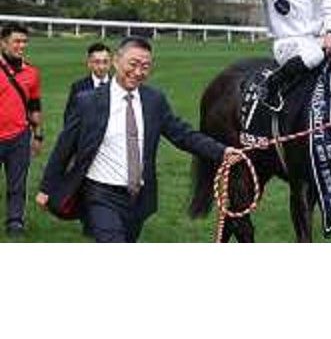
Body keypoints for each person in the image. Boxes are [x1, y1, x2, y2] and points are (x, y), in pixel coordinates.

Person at [36, 36, 242, 243]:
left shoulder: (154, 100)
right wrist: (46, 188)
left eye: (145, 66)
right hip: (99, 194)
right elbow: (64, 147)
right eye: (133, 64)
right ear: (116, 61)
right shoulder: (87, 101)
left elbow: (183, 134)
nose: (138, 72)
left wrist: (221, 151)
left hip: (139, 198)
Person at [0, 23, 44, 237]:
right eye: (16, 41)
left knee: (17, 184)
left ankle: (15, 221)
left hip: (19, 137)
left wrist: (38, 134)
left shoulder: (32, 72)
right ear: (3, 42)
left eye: (24, 41)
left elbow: (34, 105)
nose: (21, 46)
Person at [63, 42, 112, 124]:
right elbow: (70, 118)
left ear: (111, 62)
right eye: (97, 62)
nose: (101, 67)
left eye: (105, 62)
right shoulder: (78, 87)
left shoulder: (118, 85)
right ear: (89, 63)